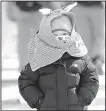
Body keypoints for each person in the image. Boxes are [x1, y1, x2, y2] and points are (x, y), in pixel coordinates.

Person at [18, 3, 99, 110]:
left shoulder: (79, 56)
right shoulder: (40, 57)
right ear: (47, 33)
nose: (62, 37)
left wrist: (83, 98)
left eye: (65, 33)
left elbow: (92, 77)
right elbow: (25, 80)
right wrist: (38, 101)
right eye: (56, 33)